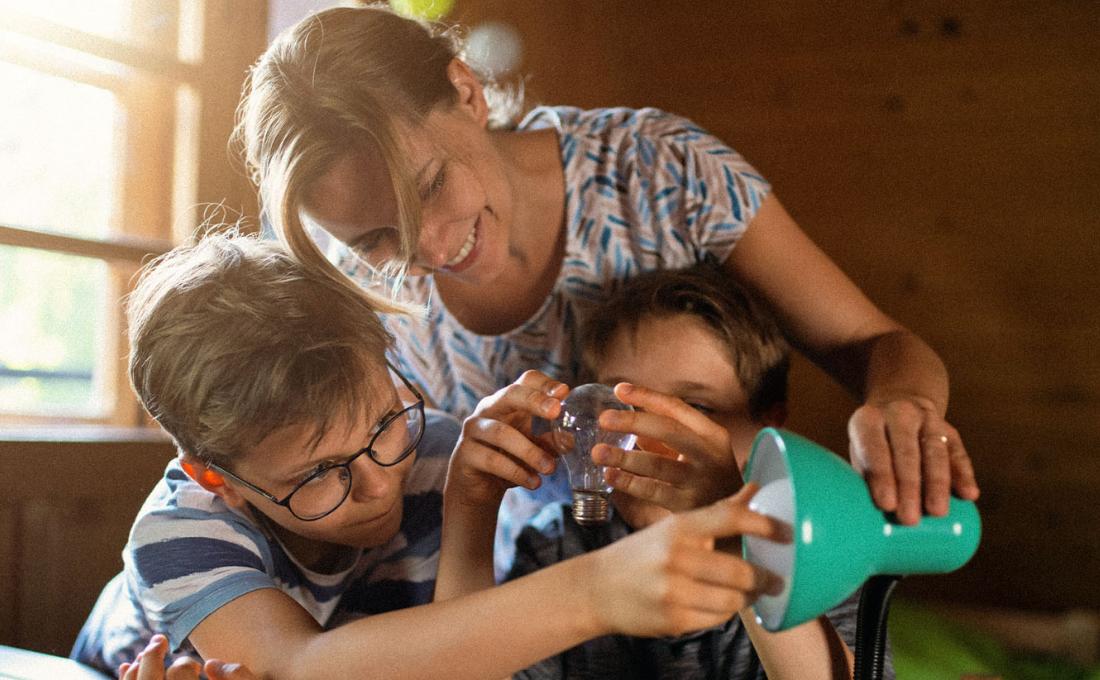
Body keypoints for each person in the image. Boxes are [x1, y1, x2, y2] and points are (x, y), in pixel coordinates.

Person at [236, 5, 979, 579]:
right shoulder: (369, 307)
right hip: (539, 598)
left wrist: (900, 403)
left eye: (429, 186)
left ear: (466, 91)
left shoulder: (660, 173)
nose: (428, 249)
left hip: (725, 562)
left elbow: (873, 344)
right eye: (374, 237)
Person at [72, 232, 789, 680]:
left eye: (385, 422)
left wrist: (470, 506)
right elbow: (296, 667)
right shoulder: (180, 534)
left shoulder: (431, 451)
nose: (380, 484)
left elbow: (457, 659)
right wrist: (595, 592)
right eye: (319, 473)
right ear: (217, 479)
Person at [503, 263, 893, 679]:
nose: (647, 439)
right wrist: (470, 507)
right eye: (623, 410)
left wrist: (733, 535)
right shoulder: (555, 547)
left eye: (697, 408)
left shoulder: (824, 554)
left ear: (768, 428)